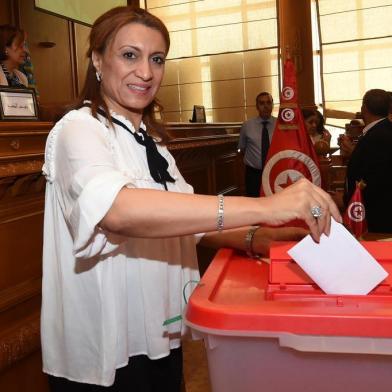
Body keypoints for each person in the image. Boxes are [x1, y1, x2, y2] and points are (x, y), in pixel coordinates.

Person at [41, 6, 341, 392]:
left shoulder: (152, 142)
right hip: (106, 351)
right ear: (98, 59)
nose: (146, 72)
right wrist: (268, 206)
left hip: (159, 336)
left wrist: (256, 237)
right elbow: (118, 211)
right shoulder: (78, 130)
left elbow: (187, 217)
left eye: (157, 59)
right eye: (129, 55)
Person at [344, 89, 392, 233]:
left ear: (364, 108)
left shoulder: (377, 136)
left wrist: (347, 199)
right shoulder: (383, 131)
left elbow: (374, 176)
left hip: (376, 215)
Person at [238, 92, 277, 197]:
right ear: (257, 106)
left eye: (268, 102)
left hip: (275, 171)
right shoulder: (247, 125)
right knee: (254, 203)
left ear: (272, 105)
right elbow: (242, 149)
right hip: (254, 174)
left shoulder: (279, 125)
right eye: (262, 103)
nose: (265, 106)